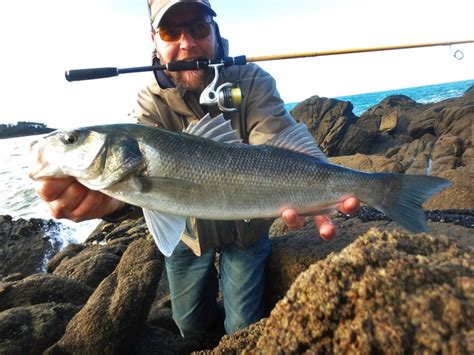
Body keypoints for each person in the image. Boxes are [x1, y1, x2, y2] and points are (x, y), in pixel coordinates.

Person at [35, 0, 359, 337]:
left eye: (199, 28)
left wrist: (318, 190)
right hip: (187, 232)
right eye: (170, 32)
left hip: (247, 226)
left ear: (215, 32)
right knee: (189, 325)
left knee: (243, 327)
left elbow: (276, 144)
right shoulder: (149, 103)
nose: (187, 43)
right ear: (155, 43)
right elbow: (138, 192)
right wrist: (114, 204)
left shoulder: (252, 81)